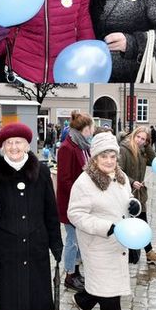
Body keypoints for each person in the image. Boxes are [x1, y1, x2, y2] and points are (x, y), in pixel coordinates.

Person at [0, 122, 61, 310]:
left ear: (27, 145)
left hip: (36, 244)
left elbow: (51, 211)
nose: (14, 147)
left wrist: (56, 243)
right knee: (9, 307)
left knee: (37, 303)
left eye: (18, 142)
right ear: (2, 147)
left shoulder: (42, 172)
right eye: (9, 143)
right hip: (5, 246)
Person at [66, 132, 138, 310]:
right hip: (97, 246)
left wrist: (133, 204)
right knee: (110, 297)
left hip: (118, 246)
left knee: (103, 287)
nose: (109, 161)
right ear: (95, 157)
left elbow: (127, 199)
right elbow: (75, 214)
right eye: (104, 156)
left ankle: (82, 301)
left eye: (112, 156)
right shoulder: (85, 182)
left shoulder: (120, 176)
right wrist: (106, 226)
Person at [118, 126, 156, 266]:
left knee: (143, 222)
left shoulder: (142, 151)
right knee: (131, 223)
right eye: (138, 137)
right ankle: (146, 252)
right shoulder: (124, 149)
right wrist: (132, 182)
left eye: (144, 139)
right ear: (133, 135)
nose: (140, 141)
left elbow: (154, 161)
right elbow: (118, 171)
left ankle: (149, 253)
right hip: (128, 193)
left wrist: (147, 146)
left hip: (140, 194)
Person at [57, 111, 93, 293]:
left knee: (79, 239)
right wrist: (81, 196)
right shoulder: (67, 147)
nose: (92, 131)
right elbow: (64, 180)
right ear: (84, 129)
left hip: (82, 203)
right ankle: (69, 276)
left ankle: (76, 271)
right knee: (72, 241)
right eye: (90, 128)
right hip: (71, 203)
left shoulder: (82, 146)